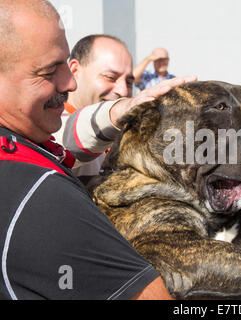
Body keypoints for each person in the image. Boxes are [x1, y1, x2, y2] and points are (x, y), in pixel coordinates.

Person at [0, 0, 195, 299]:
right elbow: (72, 135)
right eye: (49, 70)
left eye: (129, 80)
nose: (69, 82)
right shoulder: (40, 190)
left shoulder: (30, 138)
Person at [53, 34, 135, 185]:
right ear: (74, 70)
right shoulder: (50, 124)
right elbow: (67, 141)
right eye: (110, 77)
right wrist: (114, 113)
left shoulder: (127, 133)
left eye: (129, 82)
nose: (123, 91)